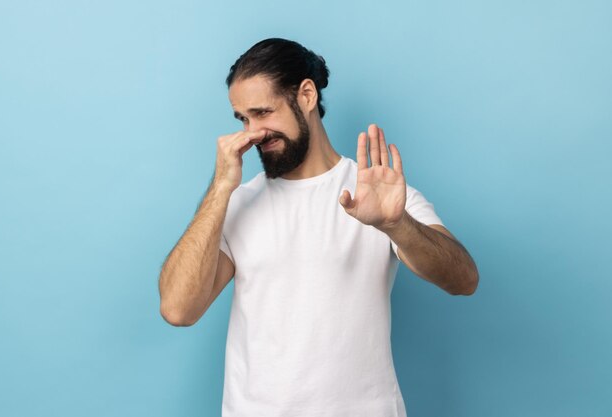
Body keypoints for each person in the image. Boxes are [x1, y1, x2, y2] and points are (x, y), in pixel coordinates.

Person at [158, 38, 479, 417]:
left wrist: (396, 225)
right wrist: (220, 187)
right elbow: (179, 309)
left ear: (306, 95)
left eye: (263, 113)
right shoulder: (238, 203)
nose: (253, 133)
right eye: (243, 119)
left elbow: (464, 280)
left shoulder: (378, 194)